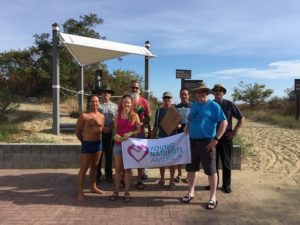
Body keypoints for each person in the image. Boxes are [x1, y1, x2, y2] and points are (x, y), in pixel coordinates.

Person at [181, 82, 227, 210]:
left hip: (207, 143)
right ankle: (191, 192)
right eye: (198, 92)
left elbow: (224, 122)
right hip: (192, 142)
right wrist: (187, 126)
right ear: (195, 94)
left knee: (211, 171)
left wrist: (216, 139)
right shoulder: (194, 105)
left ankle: (213, 197)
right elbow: (190, 119)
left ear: (207, 93)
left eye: (203, 92)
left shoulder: (214, 106)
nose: (201, 94)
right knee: (191, 169)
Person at [210, 84, 245, 193]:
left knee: (226, 163)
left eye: (220, 91)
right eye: (216, 91)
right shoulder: (210, 104)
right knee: (213, 163)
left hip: (225, 138)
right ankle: (213, 184)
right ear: (213, 92)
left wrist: (234, 132)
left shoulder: (229, 104)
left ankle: (226, 185)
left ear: (223, 93)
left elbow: (241, 118)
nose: (218, 93)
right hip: (212, 138)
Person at [109, 94, 141, 203]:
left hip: (129, 147)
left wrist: (131, 132)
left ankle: (127, 192)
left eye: (128, 102)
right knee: (118, 170)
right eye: (124, 102)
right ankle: (116, 191)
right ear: (121, 103)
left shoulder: (134, 115)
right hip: (118, 145)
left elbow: (139, 130)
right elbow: (115, 130)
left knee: (127, 170)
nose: (126, 104)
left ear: (131, 104)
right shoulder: (117, 115)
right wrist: (115, 135)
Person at [75, 95, 105, 201]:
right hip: (87, 144)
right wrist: (83, 141)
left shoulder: (102, 116)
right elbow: (78, 131)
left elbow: (102, 130)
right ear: (89, 103)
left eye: (96, 102)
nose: (95, 103)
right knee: (83, 169)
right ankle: (80, 191)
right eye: (92, 101)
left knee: (95, 167)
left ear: (99, 103)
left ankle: (93, 187)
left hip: (98, 144)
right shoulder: (84, 116)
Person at [152, 91, 178, 191]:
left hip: (173, 139)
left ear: (171, 99)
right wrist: (153, 138)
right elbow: (156, 126)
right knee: (161, 161)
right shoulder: (159, 111)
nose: (167, 100)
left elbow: (180, 125)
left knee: (172, 161)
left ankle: (171, 181)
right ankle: (162, 179)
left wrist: (176, 125)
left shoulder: (176, 111)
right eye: (165, 98)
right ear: (163, 99)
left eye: (169, 98)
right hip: (161, 139)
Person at [130, 80, 151, 189]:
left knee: (140, 157)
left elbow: (149, 116)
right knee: (127, 157)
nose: (134, 89)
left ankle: (139, 179)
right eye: (133, 88)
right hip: (128, 134)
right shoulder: (126, 101)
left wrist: (143, 123)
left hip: (141, 134)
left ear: (140, 90)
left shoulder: (144, 101)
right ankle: (126, 179)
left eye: (136, 88)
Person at [97, 84, 118, 184]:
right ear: (101, 94)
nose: (106, 94)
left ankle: (109, 175)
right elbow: (94, 118)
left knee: (109, 155)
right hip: (99, 133)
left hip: (110, 133)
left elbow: (117, 119)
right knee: (99, 154)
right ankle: (97, 175)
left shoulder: (115, 106)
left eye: (108, 92)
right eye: (104, 92)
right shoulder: (97, 105)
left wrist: (110, 128)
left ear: (110, 95)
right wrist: (102, 128)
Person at [175, 87, 192, 183]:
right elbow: (173, 120)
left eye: (185, 94)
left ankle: (189, 175)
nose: (184, 96)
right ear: (179, 95)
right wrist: (176, 124)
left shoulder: (193, 106)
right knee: (179, 154)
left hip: (190, 134)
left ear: (188, 95)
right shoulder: (176, 107)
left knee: (189, 155)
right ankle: (179, 174)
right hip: (179, 135)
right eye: (182, 94)